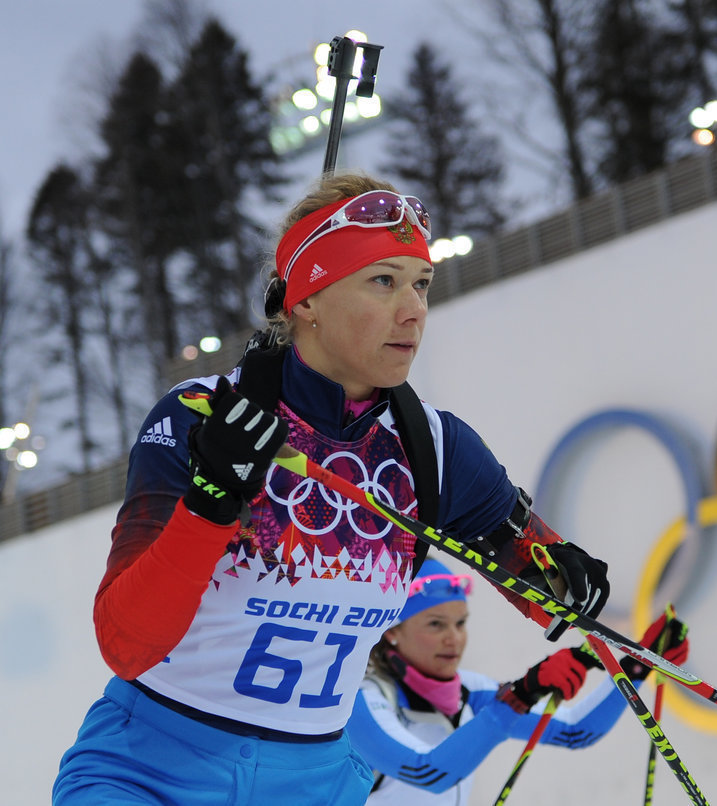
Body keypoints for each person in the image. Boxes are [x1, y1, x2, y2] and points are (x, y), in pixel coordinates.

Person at [53, 173, 615, 806]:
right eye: (383, 281)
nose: (414, 311)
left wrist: (571, 583)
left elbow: (549, 592)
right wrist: (211, 504)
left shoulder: (435, 448)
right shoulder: (200, 417)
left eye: (421, 284)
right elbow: (126, 643)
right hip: (151, 770)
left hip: (314, 782)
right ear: (306, 301)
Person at [346, 559, 690, 805]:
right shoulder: (359, 701)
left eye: (460, 623)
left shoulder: (470, 692)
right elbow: (429, 772)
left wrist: (634, 668)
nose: (454, 639)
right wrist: (521, 695)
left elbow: (574, 730)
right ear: (391, 631)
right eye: (436, 624)